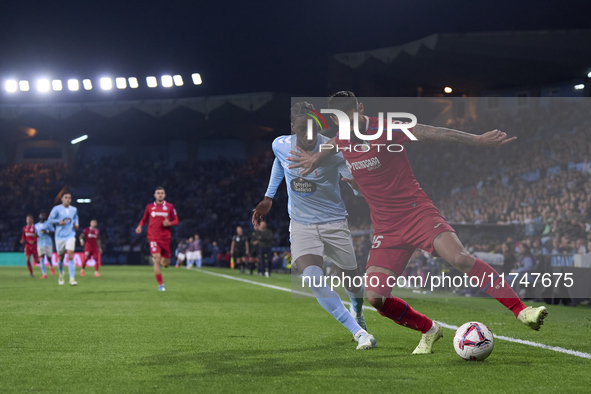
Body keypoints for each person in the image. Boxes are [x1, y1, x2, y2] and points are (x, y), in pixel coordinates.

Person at [289, 91, 547, 354]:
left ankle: (522, 310)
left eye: (354, 114)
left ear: (361, 108)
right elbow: (332, 143)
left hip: (417, 213)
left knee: (459, 258)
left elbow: (430, 131)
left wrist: (477, 140)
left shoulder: (386, 129)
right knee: (376, 298)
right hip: (386, 228)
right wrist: (314, 158)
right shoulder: (341, 139)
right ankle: (429, 330)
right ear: (335, 119)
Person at [252, 101, 376, 350]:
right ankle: (359, 332)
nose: (307, 135)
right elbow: (279, 161)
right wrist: (269, 197)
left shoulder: (333, 150)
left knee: (351, 280)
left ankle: (358, 312)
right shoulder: (281, 144)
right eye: (301, 129)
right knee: (313, 279)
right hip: (302, 225)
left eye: (311, 128)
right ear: (292, 128)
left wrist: (360, 186)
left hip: (334, 222)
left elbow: (355, 182)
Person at [135, 187, 179, 291]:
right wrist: (140, 226)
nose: (160, 195)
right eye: (158, 193)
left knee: (166, 264)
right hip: (153, 237)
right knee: (157, 260)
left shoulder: (169, 207)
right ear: (154, 195)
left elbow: (176, 220)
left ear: (164, 195)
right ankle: (161, 285)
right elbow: (144, 218)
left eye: (162, 193)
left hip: (165, 238)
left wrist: (170, 223)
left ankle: (161, 269)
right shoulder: (150, 207)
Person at [48, 192, 79, 286]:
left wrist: (77, 224)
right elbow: (49, 220)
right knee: (60, 257)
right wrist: (58, 221)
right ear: (62, 199)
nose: (68, 199)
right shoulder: (56, 209)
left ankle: (72, 278)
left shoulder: (74, 209)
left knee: (70, 255)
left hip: (70, 235)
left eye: (69, 197)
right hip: (59, 237)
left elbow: (76, 217)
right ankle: (61, 273)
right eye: (66, 197)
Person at [35, 212, 56, 278]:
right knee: (41, 257)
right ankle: (44, 274)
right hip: (40, 243)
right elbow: (35, 233)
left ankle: (51, 266)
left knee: (49, 257)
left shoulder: (48, 224)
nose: (42, 217)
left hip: (48, 243)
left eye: (43, 216)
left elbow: (53, 231)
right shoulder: (36, 225)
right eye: (41, 216)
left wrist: (46, 231)